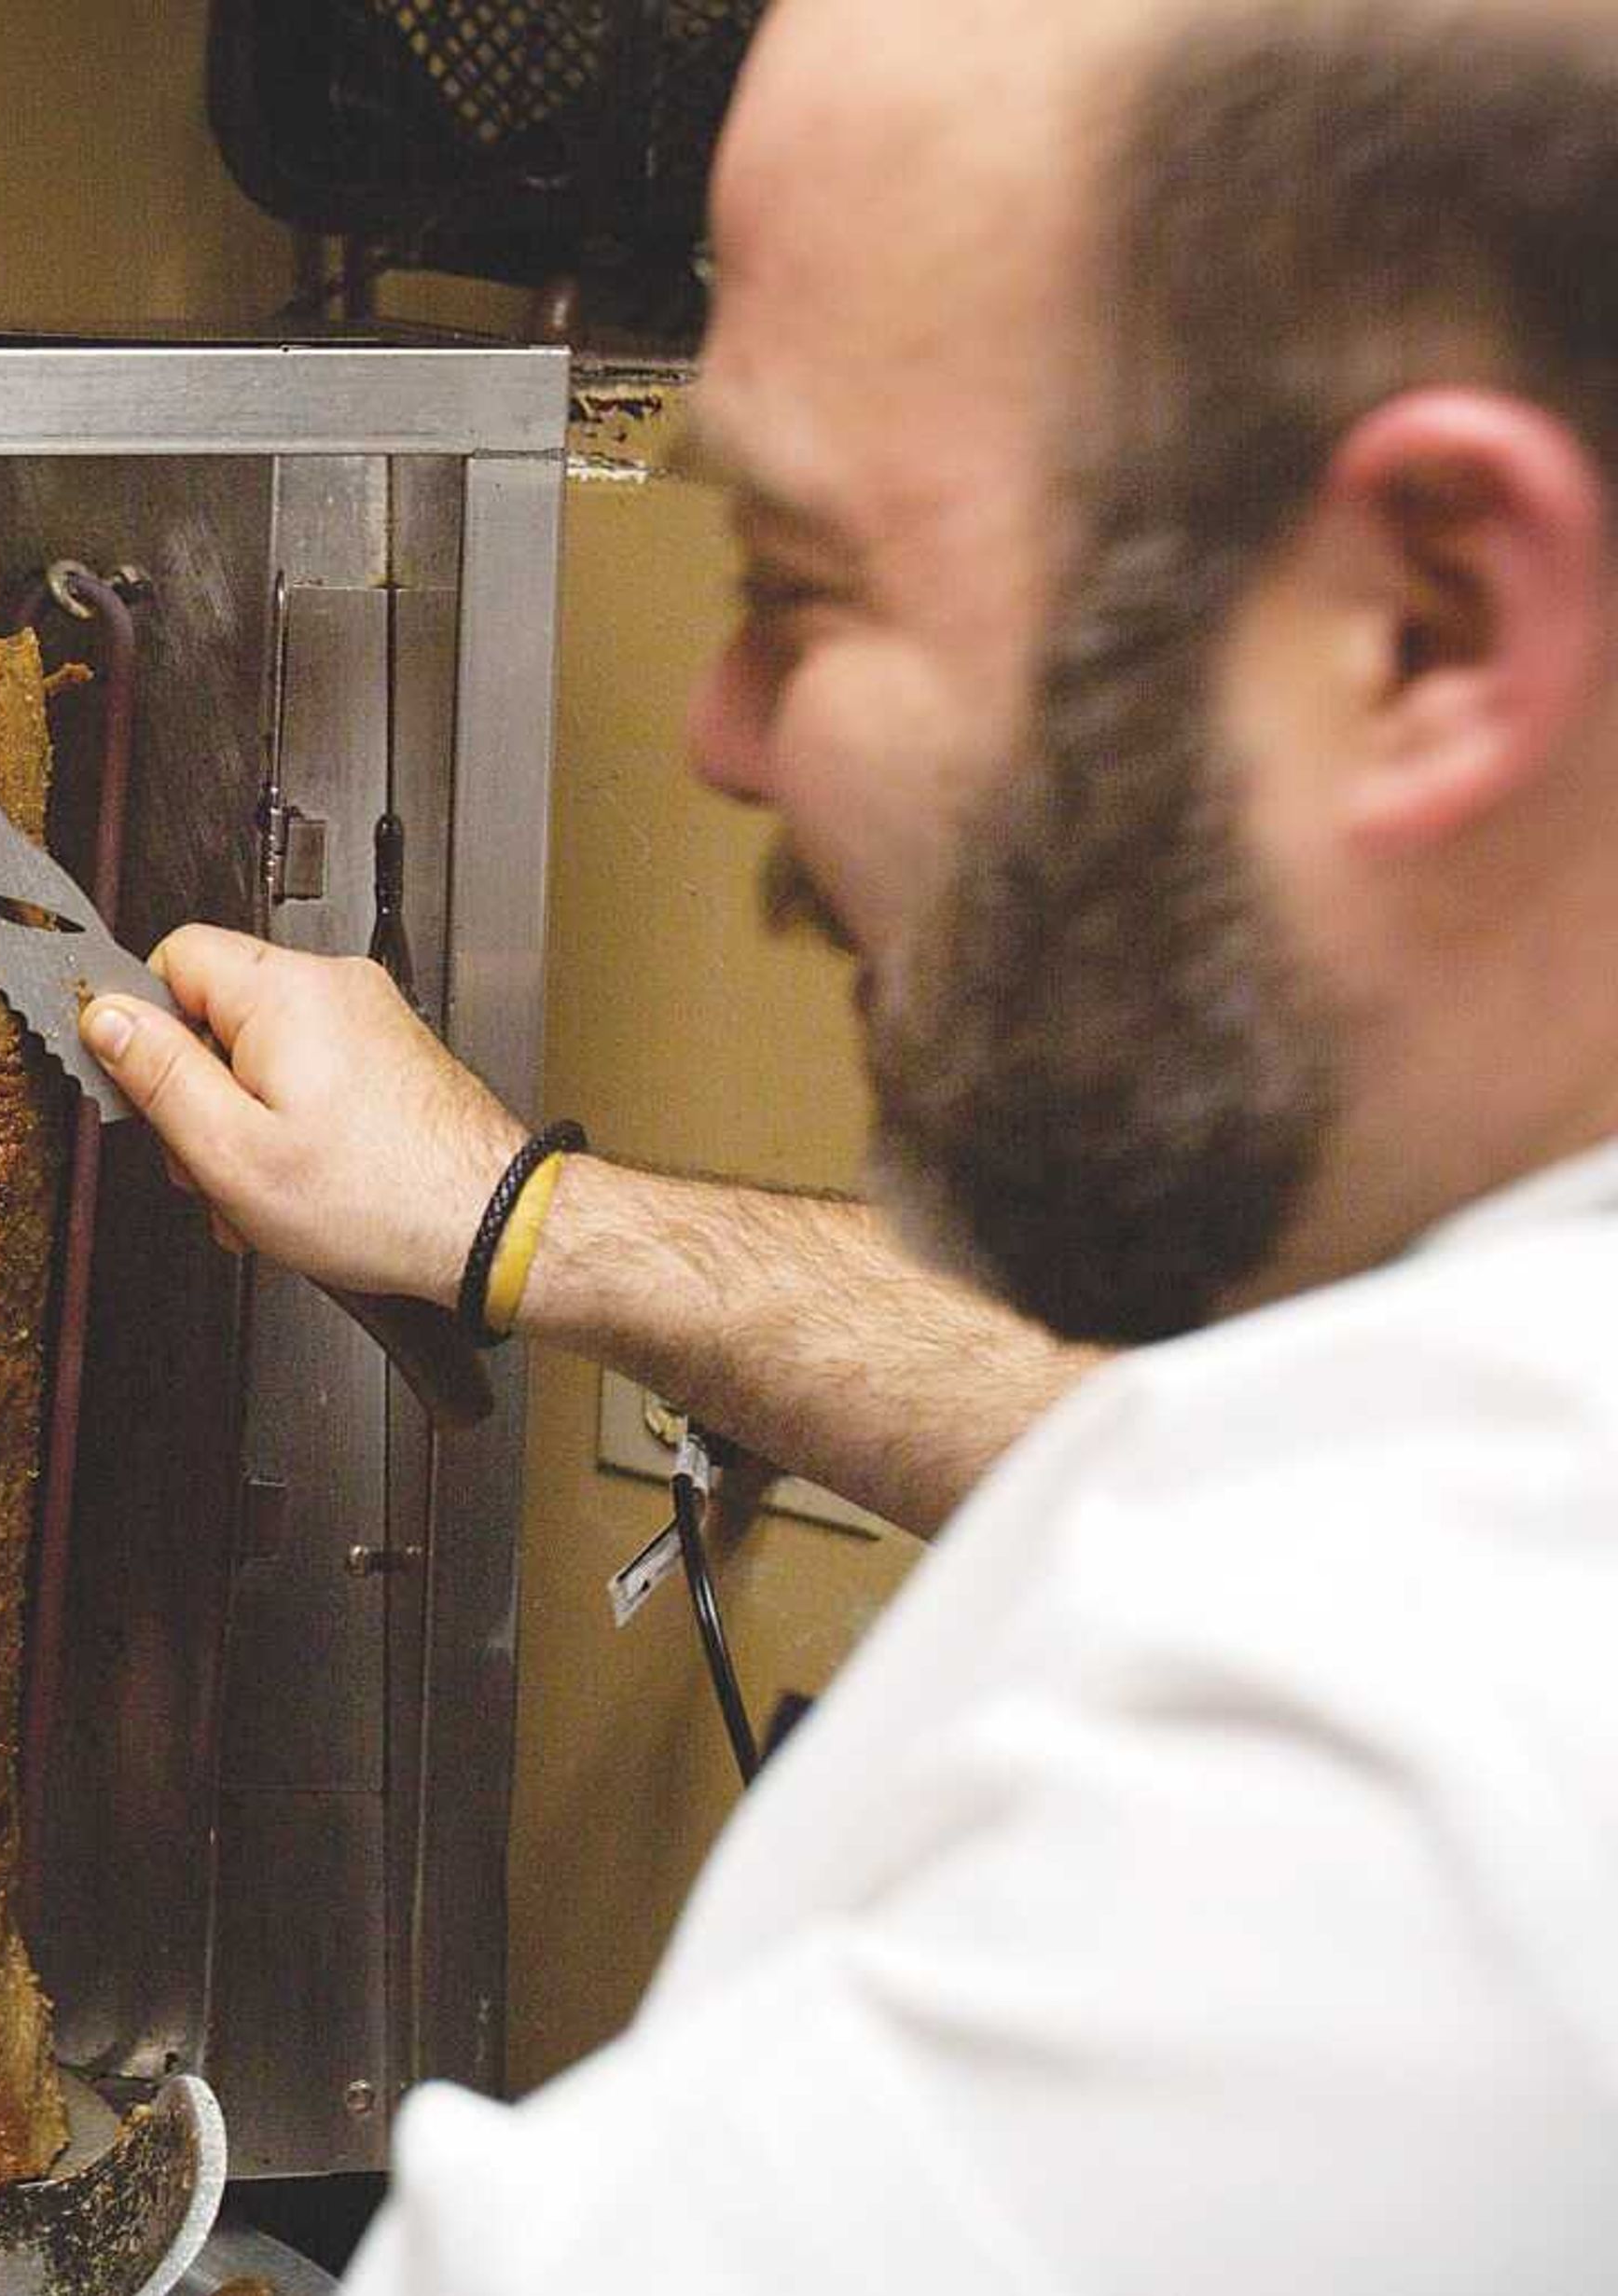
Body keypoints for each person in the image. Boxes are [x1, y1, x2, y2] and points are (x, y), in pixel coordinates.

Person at [79, 0, 1618, 2286]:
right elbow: (1167, 1440)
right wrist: (521, 1218)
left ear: (1430, 624)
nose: (717, 732)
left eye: (800, 586)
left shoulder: (1358, 1852)